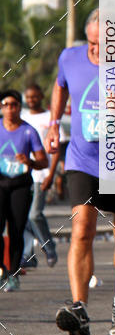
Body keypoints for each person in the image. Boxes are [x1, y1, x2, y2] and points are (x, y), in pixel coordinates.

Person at [45, 9, 115, 335]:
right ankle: (79, 307)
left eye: (105, 44)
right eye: (93, 43)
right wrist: (54, 124)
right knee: (81, 229)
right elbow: (59, 87)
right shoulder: (70, 57)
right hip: (82, 158)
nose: (98, 51)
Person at [0, 89, 48, 291]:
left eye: (14, 105)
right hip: (0, 184)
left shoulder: (28, 131)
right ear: (1, 108)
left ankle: (14, 274)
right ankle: (2, 269)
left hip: (21, 184)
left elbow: (43, 161)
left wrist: (28, 161)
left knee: (17, 229)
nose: (10, 109)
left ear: (20, 107)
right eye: (6, 105)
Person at [20, 83, 66, 268]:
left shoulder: (50, 118)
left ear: (41, 97)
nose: (31, 100)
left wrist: (51, 174)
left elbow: (57, 148)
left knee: (34, 215)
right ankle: (28, 256)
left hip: (42, 173)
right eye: (28, 97)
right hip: (22, 174)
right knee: (21, 216)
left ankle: (49, 247)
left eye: (34, 96)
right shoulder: (21, 118)